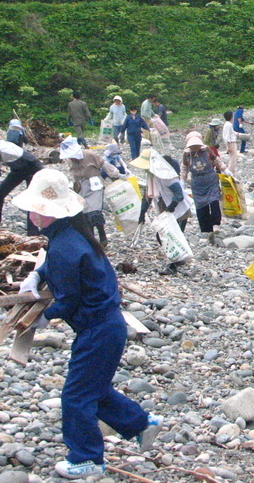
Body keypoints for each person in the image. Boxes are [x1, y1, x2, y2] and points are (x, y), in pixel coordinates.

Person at [13, 169, 162, 478]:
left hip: (99, 329)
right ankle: (140, 425)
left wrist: (43, 317)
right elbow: (51, 267)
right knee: (93, 386)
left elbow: (67, 300)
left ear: (51, 213)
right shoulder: (68, 236)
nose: (32, 214)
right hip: (104, 327)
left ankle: (86, 458)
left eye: (37, 209)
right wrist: (37, 276)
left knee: (76, 395)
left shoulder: (67, 245)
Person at [131, 148, 193, 275]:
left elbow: (178, 194)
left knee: (169, 236)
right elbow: (147, 197)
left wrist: (171, 207)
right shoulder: (152, 178)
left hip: (179, 211)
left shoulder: (166, 176)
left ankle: (173, 264)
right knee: (166, 236)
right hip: (166, 209)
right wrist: (142, 214)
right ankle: (176, 260)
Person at [61, 138, 122, 247]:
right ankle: (91, 240)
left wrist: (116, 175)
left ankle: (102, 236)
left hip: (94, 185)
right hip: (79, 187)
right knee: (84, 214)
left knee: (94, 212)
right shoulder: (69, 160)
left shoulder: (90, 155)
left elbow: (104, 165)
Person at [0, 140, 44, 236]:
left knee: (32, 199)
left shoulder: (10, 153)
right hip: (18, 169)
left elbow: (23, 169)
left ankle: (33, 231)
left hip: (32, 167)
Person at [180, 134, 231, 245]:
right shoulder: (187, 154)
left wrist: (225, 169)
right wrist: (182, 180)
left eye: (196, 146)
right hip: (197, 183)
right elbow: (184, 167)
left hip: (210, 179)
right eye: (193, 146)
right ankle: (206, 229)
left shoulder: (206, 150)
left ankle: (216, 224)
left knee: (214, 200)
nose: (195, 148)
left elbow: (216, 160)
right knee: (201, 205)